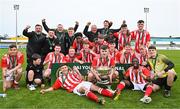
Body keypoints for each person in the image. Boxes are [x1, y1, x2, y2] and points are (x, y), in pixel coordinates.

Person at [40, 64, 114, 105]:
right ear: (61, 70)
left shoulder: (72, 73)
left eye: (65, 67)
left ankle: (111, 95)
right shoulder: (59, 79)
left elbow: (81, 78)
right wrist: (45, 90)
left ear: (67, 69)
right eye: (63, 68)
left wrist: (77, 71)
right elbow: (53, 88)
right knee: (83, 88)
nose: (64, 69)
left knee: (96, 88)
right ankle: (98, 100)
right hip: (75, 88)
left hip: (81, 82)